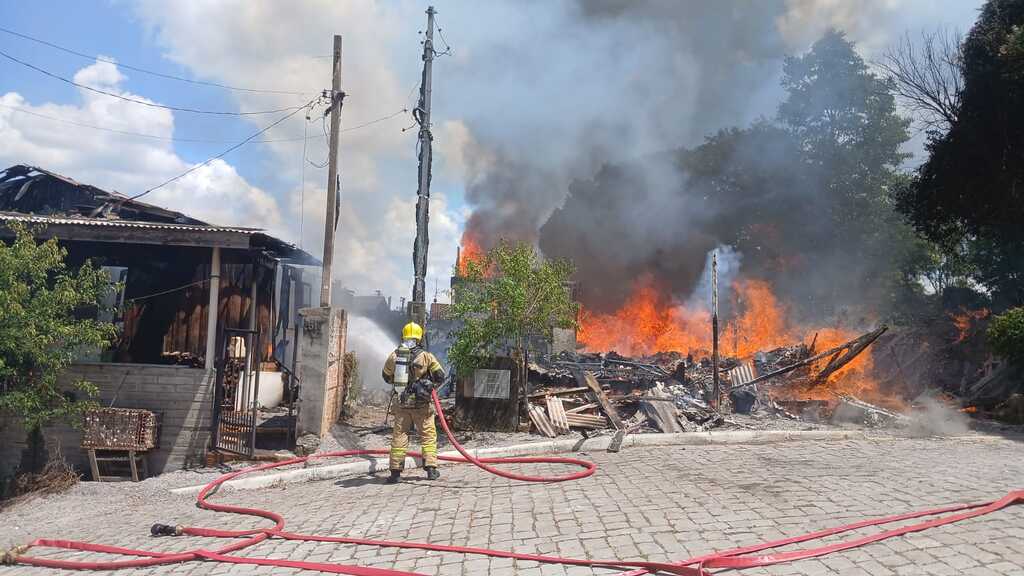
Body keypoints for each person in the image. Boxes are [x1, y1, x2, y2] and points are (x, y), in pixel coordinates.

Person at [381, 322, 446, 483]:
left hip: (402, 404)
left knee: (400, 436)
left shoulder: (394, 355)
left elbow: (386, 376)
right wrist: (428, 384)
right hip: (422, 405)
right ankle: (431, 470)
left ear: (403, 335)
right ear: (419, 337)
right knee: (428, 436)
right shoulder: (426, 356)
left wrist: (400, 383)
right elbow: (440, 375)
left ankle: (395, 473)